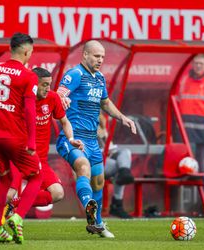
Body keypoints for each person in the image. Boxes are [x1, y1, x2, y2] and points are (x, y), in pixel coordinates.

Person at [0, 67, 83, 241]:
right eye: (44, 85)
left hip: (39, 158)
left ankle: (13, 206)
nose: (48, 89)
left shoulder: (53, 97)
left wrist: (71, 138)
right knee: (8, 194)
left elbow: (64, 121)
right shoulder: (21, 100)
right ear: (34, 84)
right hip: (19, 156)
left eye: (49, 85)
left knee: (57, 193)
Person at [56, 40, 137, 238]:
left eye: (102, 56)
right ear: (85, 55)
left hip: (92, 141)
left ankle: (98, 224)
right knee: (83, 167)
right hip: (73, 138)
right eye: (96, 56)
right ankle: (89, 208)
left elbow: (106, 103)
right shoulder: (75, 74)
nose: (100, 60)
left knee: (98, 182)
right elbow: (58, 95)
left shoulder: (99, 78)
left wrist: (123, 117)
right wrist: (62, 99)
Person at [0, 33, 44, 244]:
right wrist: (32, 141)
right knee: (36, 176)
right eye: (31, 53)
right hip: (14, 137)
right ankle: (17, 217)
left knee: (5, 180)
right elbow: (30, 110)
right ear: (26, 52)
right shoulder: (28, 76)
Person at [98, 113, 134, 219]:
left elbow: (111, 149)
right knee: (119, 169)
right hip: (94, 163)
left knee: (125, 153)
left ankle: (124, 171)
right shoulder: (84, 128)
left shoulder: (103, 131)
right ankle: (117, 205)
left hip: (107, 159)